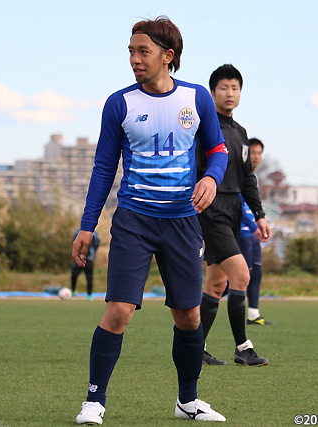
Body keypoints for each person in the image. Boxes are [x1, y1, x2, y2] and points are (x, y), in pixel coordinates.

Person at [72, 16, 229, 424]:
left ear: (168, 56)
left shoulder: (196, 98)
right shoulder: (119, 103)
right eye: (131, 51)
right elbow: (104, 168)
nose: (134, 59)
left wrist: (211, 178)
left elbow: (218, 149)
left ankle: (188, 402)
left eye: (143, 51)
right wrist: (87, 226)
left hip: (182, 223)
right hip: (134, 222)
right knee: (119, 311)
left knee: (189, 316)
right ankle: (94, 401)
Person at [196, 64, 271, 367]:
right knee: (241, 275)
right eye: (224, 88)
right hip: (210, 211)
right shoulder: (203, 127)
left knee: (216, 285)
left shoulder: (241, 133)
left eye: (235, 88)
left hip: (233, 213)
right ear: (212, 92)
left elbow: (247, 179)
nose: (230, 93)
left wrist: (260, 215)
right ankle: (243, 347)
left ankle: (195, 348)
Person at [242, 138, 274, 325]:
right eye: (252, 153)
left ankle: (253, 314)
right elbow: (237, 206)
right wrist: (254, 227)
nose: (256, 157)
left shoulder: (255, 177)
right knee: (239, 277)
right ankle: (200, 306)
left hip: (253, 233)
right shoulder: (239, 175)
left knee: (257, 272)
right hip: (242, 233)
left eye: (259, 153)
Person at [71, 228, 99, 301]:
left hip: (89, 259)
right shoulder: (77, 232)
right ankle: (73, 291)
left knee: (89, 277)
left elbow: (96, 244)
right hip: (79, 258)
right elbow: (75, 243)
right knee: (74, 275)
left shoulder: (94, 234)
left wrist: (91, 253)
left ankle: (89, 295)